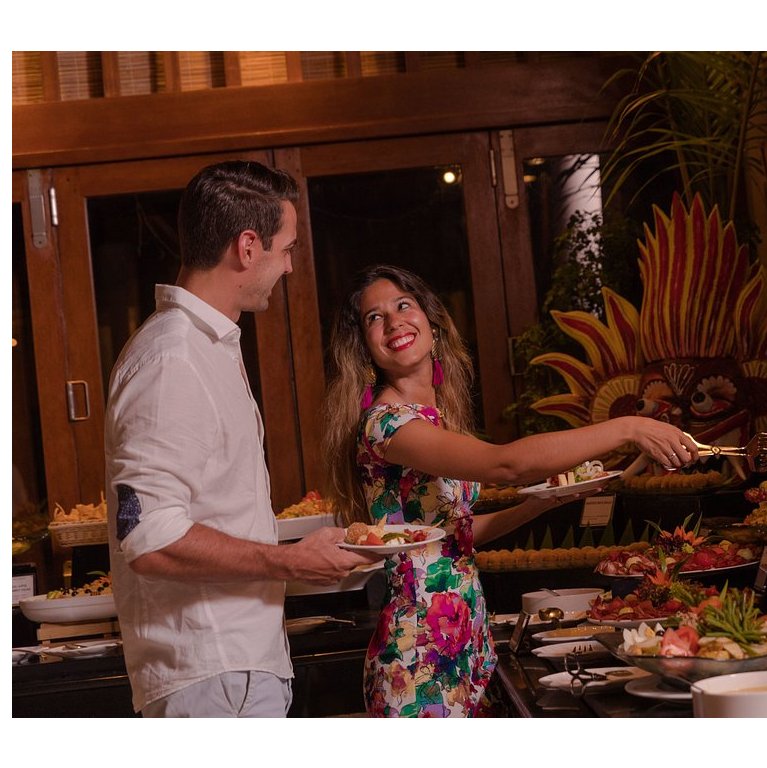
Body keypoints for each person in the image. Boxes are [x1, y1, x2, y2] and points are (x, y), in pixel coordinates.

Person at [322, 264, 699, 717]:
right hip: (417, 654)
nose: (394, 321)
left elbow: (455, 537)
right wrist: (628, 427)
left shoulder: (431, 419)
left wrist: (542, 503)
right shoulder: (388, 424)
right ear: (365, 347)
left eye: (403, 305)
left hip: (462, 637)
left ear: (432, 322)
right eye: (375, 317)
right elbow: (508, 463)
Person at [105, 160, 377, 718]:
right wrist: (289, 561)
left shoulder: (204, 347)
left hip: (231, 669)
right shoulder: (174, 359)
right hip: (213, 675)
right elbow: (149, 537)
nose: (291, 266)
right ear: (248, 247)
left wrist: (302, 556)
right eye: (287, 249)